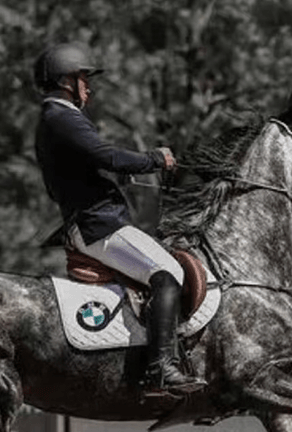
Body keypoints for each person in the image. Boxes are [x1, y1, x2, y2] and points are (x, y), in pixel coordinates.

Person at [32, 42, 206, 396]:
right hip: (100, 226)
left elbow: (83, 166)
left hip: (96, 220)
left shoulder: (55, 119)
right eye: (84, 78)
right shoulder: (61, 117)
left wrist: (112, 176)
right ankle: (161, 369)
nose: (89, 87)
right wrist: (152, 159)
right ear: (66, 81)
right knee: (168, 272)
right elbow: (106, 154)